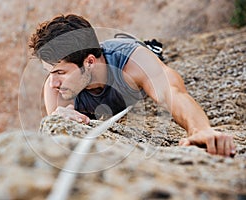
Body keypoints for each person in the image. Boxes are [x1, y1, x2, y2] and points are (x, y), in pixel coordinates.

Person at [29, 14, 236, 157]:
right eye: (50, 73)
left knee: (150, 56)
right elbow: (58, 128)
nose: (53, 83)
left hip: (130, 57)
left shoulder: (132, 64)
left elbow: (172, 93)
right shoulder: (56, 86)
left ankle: (151, 48)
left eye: (60, 73)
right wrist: (59, 118)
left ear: (89, 62)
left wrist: (200, 129)